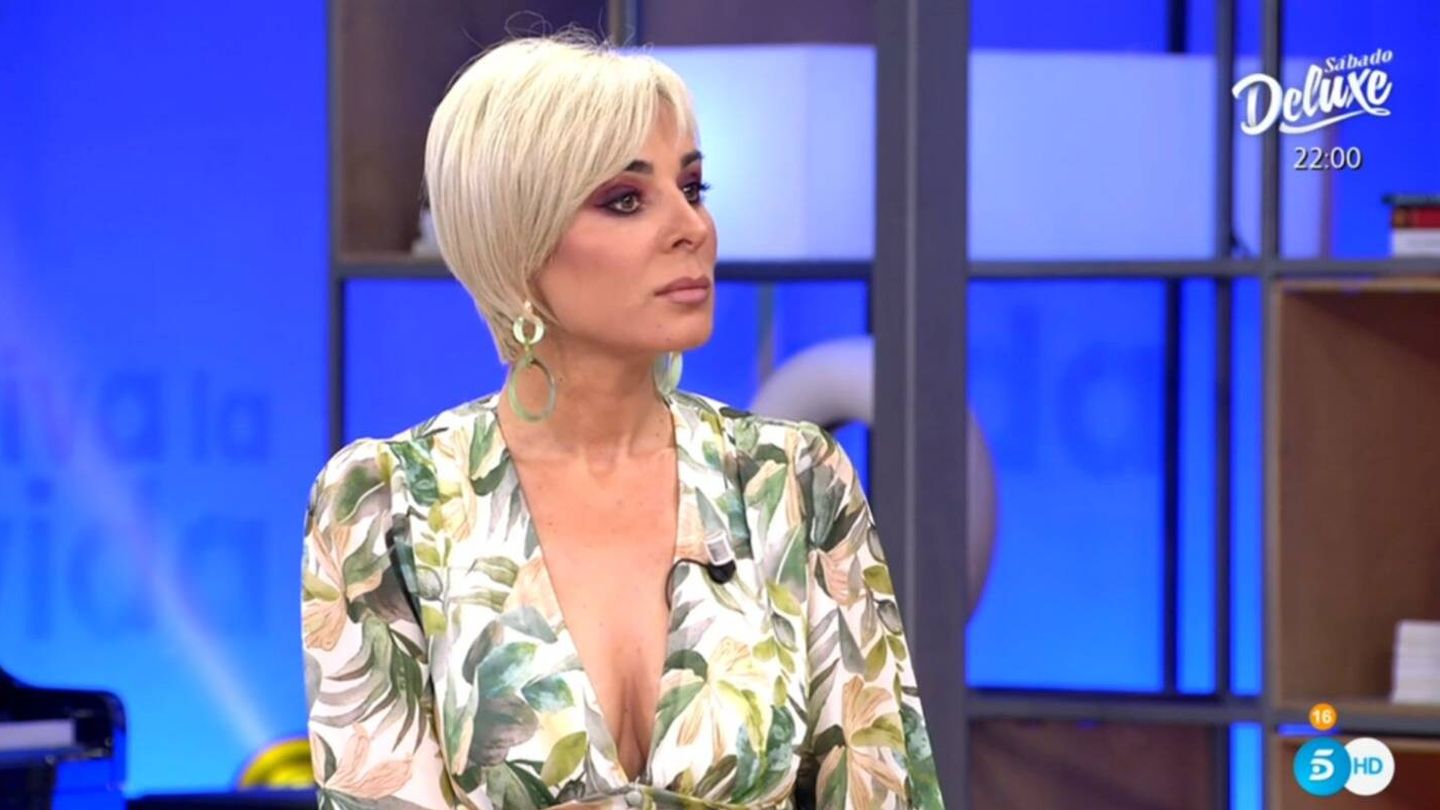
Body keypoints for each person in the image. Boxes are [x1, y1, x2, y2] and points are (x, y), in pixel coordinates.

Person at [300, 29, 944, 810]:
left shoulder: (793, 483)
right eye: (626, 200)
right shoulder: (385, 507)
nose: (693, 229)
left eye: (693, 188)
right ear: (518, 244)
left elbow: (886, 792)